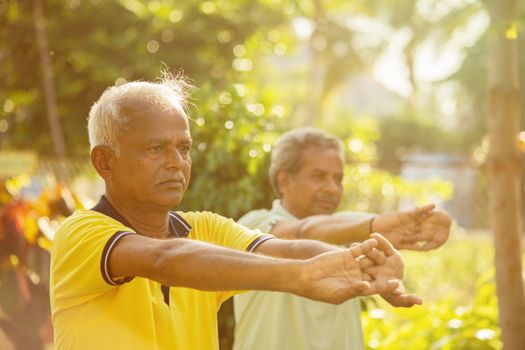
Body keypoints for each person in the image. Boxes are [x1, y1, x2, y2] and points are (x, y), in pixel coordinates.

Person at [49, 74, 420, 350]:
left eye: (184, 147)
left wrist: (357, 264)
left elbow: (288, 248)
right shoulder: (82, 233)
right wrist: (300, 277)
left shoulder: (205, 228)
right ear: (104, 162)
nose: (176, 162)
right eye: (155, 149)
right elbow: (164, 259)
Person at [233, 127, 452, 350]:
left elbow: (341, 227)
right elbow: (302, 232)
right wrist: (374, 226)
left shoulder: (350, 229)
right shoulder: (254, 226)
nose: (332, 188)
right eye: (319, 176)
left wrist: (427, 223)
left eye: (338, 179)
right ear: (284, 182)